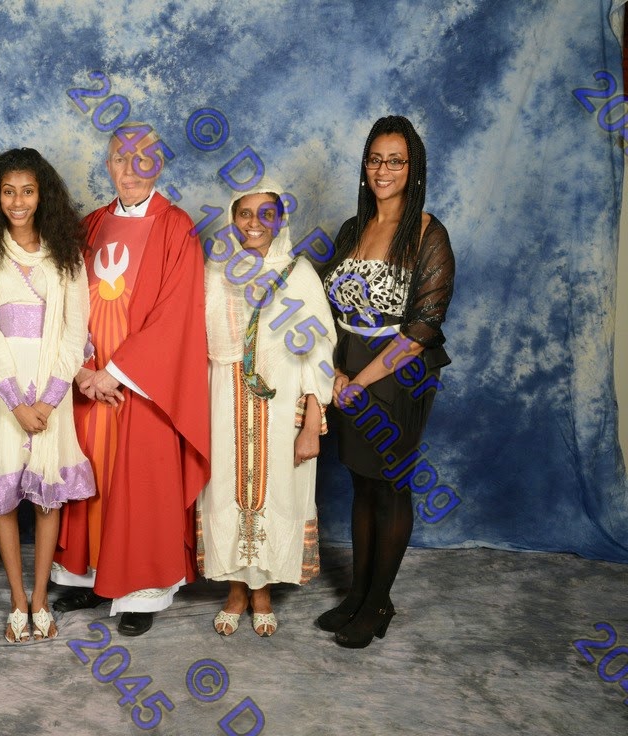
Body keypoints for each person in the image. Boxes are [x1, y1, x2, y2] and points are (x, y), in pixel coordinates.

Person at [52, 125, 211, 637]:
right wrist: (81, 370)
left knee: (140, 482)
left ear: (157, 164)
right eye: (121, 158)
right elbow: (64, 302)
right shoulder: (91, 225)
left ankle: (141, 589)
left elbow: (176, 316)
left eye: (143, 158)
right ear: (108, 165)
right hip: (88, 383)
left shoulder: (177, 228)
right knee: (91, 478)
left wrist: (115, 373)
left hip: (141, 388)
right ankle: (92, 577)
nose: (131, 169)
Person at [316, 115, 455, 648]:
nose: (383, 169)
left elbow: (423, 327)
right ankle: (359, 593)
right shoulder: (353, 228)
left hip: (400, 371)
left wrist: (360, 381)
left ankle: (378, 604)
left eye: (395, 160)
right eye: (375, 159)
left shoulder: (428, 233)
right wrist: (335, 371)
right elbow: (326, 308)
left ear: (413, 168)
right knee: (361, 480)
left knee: (390, 484)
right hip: (349, 365)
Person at [0, 148, 95, 643]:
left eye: (28, 191)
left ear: (43, 195)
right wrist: (16, 402)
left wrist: (50, 397)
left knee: (47, 498)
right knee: (5, 499)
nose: (18, 201)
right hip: (1, 395)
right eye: (9, 191)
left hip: (52, 391)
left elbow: (75, 331)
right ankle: (17, 599)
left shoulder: (66, 255)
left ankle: (40, 599)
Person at [199, 182, 335, 636]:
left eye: (266, 213)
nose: (254, 223)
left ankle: (263, 592)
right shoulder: (217, 270)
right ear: (232, 217)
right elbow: (198, 341)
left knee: (277, 492)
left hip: (283, 404)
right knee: (227, 489)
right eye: (245, 213)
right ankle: (236, 590)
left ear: (280, 220)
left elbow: (319, 350)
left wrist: (312, 423)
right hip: (224, 400)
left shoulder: (299, 273)